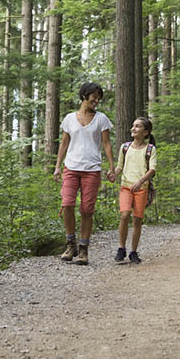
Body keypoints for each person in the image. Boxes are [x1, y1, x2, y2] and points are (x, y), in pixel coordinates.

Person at [53, 82, 114, 265]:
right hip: (71, 168)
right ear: (84, 96)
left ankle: (83, 250)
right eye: (94, 96)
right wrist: (57, 167)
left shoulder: (101, 118)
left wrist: (111, 167)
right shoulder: (70, 119)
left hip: (92, 169)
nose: (96, 101)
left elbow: (106, 144)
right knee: (67, 204)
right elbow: (64, 144)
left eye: (98, 98)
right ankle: (70, 244)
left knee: (87, 210)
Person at [107, 117, 156, 265]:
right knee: (125, 214)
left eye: (138, 126)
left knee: (137, 219)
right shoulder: (125, 147)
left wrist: (141, 181)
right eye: (133, 126)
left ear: (146, 132)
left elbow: (152, 169)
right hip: (126, 187)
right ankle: (121, 248)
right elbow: (120, 166)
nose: (133, 129)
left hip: (142, 188)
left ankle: (133, 251)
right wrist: (113, 174)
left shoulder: (150, 149)